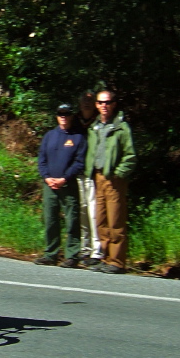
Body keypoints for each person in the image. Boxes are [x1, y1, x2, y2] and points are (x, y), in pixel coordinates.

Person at [85, 90, 137, 274]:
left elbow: (130, 155)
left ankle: (117, 261)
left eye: (108, 102)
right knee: (101, 220)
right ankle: (105, 258)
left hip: (114, 179)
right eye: (100, 102)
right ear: (97, 105)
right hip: (98, 177)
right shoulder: (95, 127)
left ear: (114, 104)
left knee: (116, 220)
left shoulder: (121, 128)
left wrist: (119, 173)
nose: (104, 106)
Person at [34, 104, 87, 267]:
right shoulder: (49, 136)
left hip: (68, 184)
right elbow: (41, 160)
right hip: (49, 185)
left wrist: (65, 178)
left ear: (71, 116)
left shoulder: (78, 137)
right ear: (56, 116)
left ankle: (72, 255)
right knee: (50, 219)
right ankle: (51, 254)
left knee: (72, 220)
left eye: (66, 114)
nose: (63, 116)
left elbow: (80, 162)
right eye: (60, 114)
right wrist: (47, 177)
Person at [74, 90, 102, 266]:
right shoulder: (75, 121)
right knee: (82, 213)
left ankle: (96, 251)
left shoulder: (99, 122)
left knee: (94, 213)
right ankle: (84, 250)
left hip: (93, 174)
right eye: (83, 100)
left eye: (90, 101)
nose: (86, 103)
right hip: (77, 173)